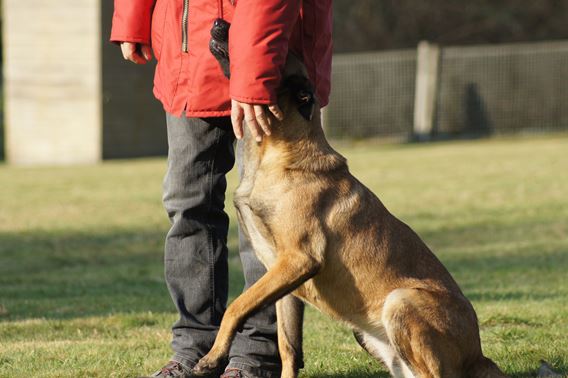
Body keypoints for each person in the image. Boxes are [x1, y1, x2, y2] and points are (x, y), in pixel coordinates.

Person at [110, 1, 332, 377]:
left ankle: (256, 355)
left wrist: (254, 78)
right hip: (187, 52)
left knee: (270, 222)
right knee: (187, 205)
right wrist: (133, 15)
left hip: (276, 55)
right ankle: (194, 350)